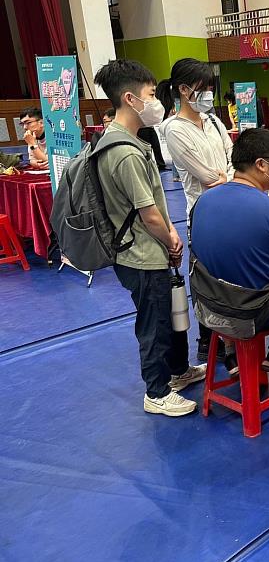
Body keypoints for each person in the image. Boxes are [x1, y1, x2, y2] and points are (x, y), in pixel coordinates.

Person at [93, 59, 205, 416]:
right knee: (154, 323)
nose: (157, 101)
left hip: (149, 247)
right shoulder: (124, 152)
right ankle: (156, 392)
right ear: (130, 98)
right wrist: (172, 239)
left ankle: (178, 371)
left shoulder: (129, 140)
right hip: (141, 254)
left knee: (169, 315)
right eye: (152, 94)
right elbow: (149, 212)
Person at [191, 128, 269, 378]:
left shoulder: (202, 202)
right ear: (261, 164)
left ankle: (232, 350)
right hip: (254, 312)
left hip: (208, 305)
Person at [159, 58, 236, 368]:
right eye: (203, 89)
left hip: (231, 206)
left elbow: (234, 160)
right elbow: (206, 177)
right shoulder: (174, 129)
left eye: (210, 89)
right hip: (203, 215)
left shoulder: (215, 122)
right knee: (209, 280)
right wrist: (227, 176)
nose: (208, 95)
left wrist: (227, 176)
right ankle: (210, 342)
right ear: (184, 90)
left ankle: (230, 339)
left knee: (231, 276)